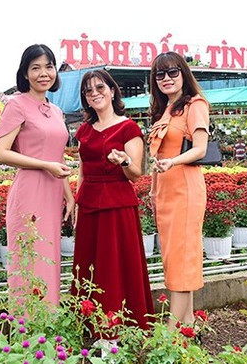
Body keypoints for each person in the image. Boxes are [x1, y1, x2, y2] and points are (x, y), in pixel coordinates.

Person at [71, 69, 154, 335]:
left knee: (115, 265)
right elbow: (82, 170)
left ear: (112, 90)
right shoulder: (84, 130)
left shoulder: (128, 127)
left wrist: (124, 161)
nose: (94, 94)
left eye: (100, 88)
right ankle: (90, 325)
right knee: (89, 265)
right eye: (88, 91)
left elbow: (136, 173)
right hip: (89, 204)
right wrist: (76, 202)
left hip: (117, 205)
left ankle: (118, 328)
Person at [0, 44, 74, 305]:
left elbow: (58, 155)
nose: (43, 73)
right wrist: (44, 165)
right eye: (35, 68)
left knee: (49, 259)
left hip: (53, 193)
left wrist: (69, 195)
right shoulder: (16, 105)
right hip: (30, 192)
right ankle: (26, 325)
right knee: (29, 260)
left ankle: (48, 323)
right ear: (25, 74)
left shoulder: (56, 110)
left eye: (49, 66)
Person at [147, 52, 209, 328]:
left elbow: (200, 149)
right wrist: (153, 191)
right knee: (175, 258)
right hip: (165, 190)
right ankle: (188, 325)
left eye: (173, 72)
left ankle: (172, 334)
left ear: (184, 74)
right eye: (160, 74)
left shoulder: (195, 105)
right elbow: (156, 157)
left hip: (185, 187)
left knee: (182, 258)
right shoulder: (165, 110)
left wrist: (173, 161)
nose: (166, 79)